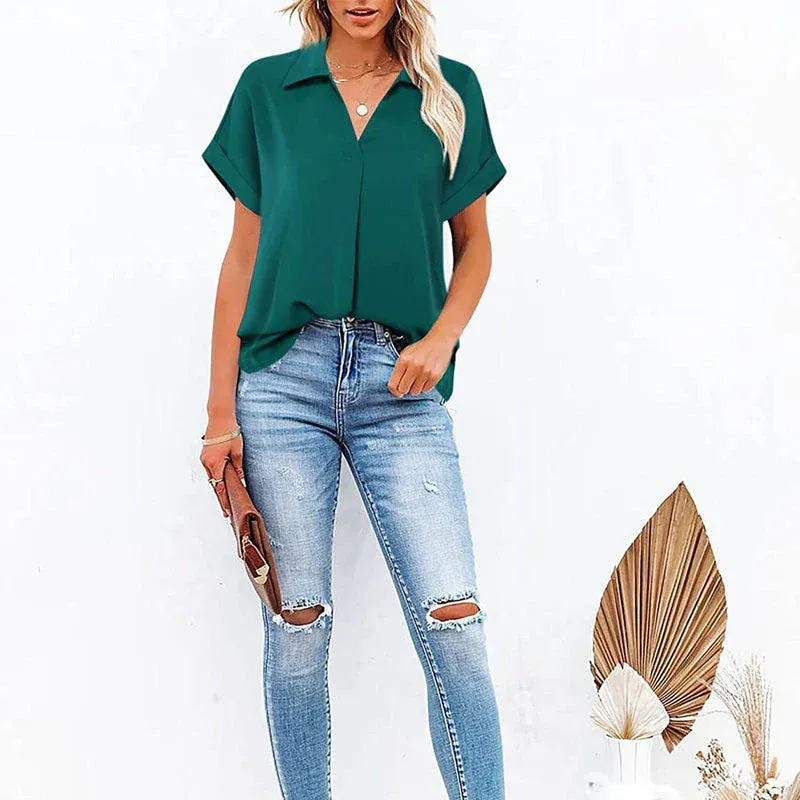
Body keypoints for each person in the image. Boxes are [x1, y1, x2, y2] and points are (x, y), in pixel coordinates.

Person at [199, 1, 506, 797]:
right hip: (283, 382)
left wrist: (441, 339)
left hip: (401, 384)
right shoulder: (268, 90)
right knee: (297, 623)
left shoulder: (449, 93)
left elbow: (475, 246)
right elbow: (242, 258)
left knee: (455, 622)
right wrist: (219, 416)